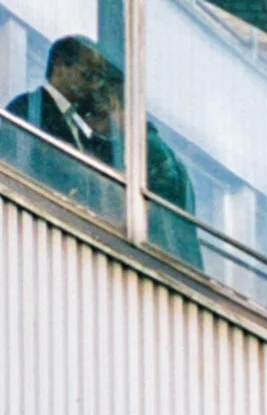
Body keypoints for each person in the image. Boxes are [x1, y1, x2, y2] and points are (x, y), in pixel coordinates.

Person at [4, 36, 200, 261]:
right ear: (59, 66)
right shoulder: (28, 108)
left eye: (98, 79)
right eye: (88, 76)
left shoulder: (82, 129)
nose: (94, 86)